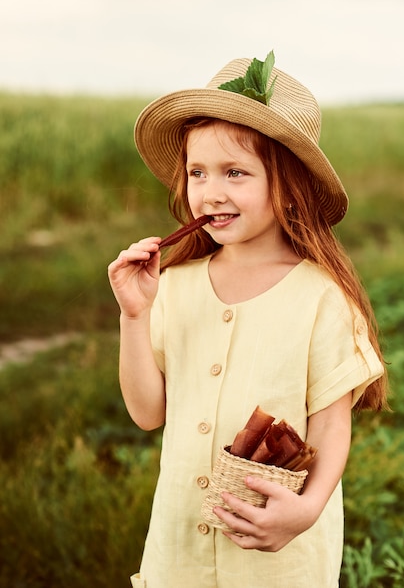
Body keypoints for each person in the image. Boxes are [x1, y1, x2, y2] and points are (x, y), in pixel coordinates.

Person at [108, 51, 388, 588]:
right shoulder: (177, 286)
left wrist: (305, 512)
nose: (211, 192)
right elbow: (147, 413)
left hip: (279, 560)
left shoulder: (321, 297)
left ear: (286, 184)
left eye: (235, 173)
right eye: (197, 173)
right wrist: (134, 316)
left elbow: (331, 426)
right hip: (180, 554)